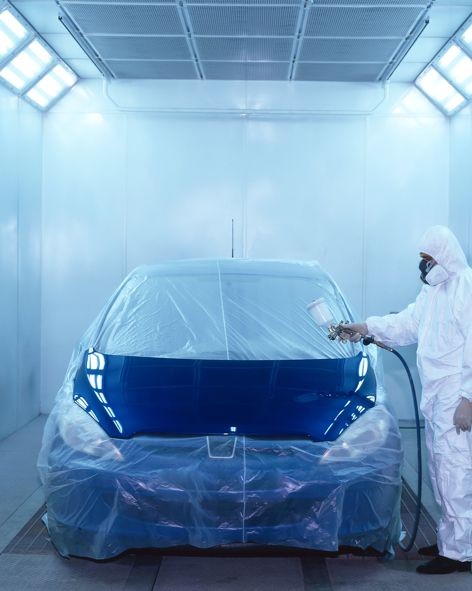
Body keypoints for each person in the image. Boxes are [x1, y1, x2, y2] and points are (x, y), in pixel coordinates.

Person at [342, 225, 472, 575]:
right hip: (437, 394)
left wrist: (468, 399)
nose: (424, 265)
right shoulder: (432, 292)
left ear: (445, 256)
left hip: (455, 395)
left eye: (429, 258)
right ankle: (451, 540)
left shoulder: (466, 287)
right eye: (422, 259)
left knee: (456, 472)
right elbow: (406, 324)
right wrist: (365, 327)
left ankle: (460, 553)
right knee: (441, 471)